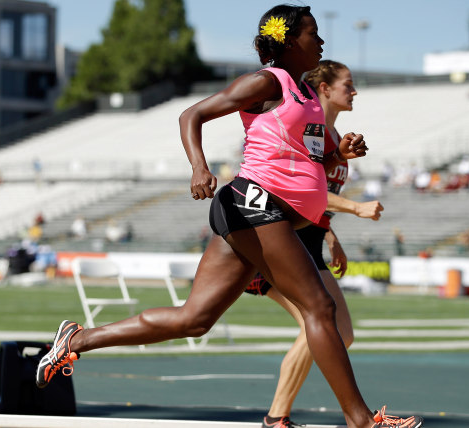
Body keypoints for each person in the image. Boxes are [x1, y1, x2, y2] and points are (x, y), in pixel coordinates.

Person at [34, 6, 422, 428]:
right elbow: (191, 115)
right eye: (314, 34)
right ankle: (362, 420)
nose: (322, 42)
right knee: (320, 307)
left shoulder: (307, 96)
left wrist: (337, 153)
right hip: (253, 203)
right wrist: (199, 167)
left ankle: (77, 339)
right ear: (290, 41)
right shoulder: (267, 81)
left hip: (261, 214)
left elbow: (309, 159)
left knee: (194, 319)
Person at [243, 59, 386, 428]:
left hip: (310, 242)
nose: (354, 91)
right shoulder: (308, 129)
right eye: (348, 84)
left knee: (342, 332)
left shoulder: (337, 141)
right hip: (281, 241)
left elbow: (316, 198)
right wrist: (355, 207)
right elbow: (297, 190)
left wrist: (329, 233)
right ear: (325, 88)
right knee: (319, 326)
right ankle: (278, 417)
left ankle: (277, 416)